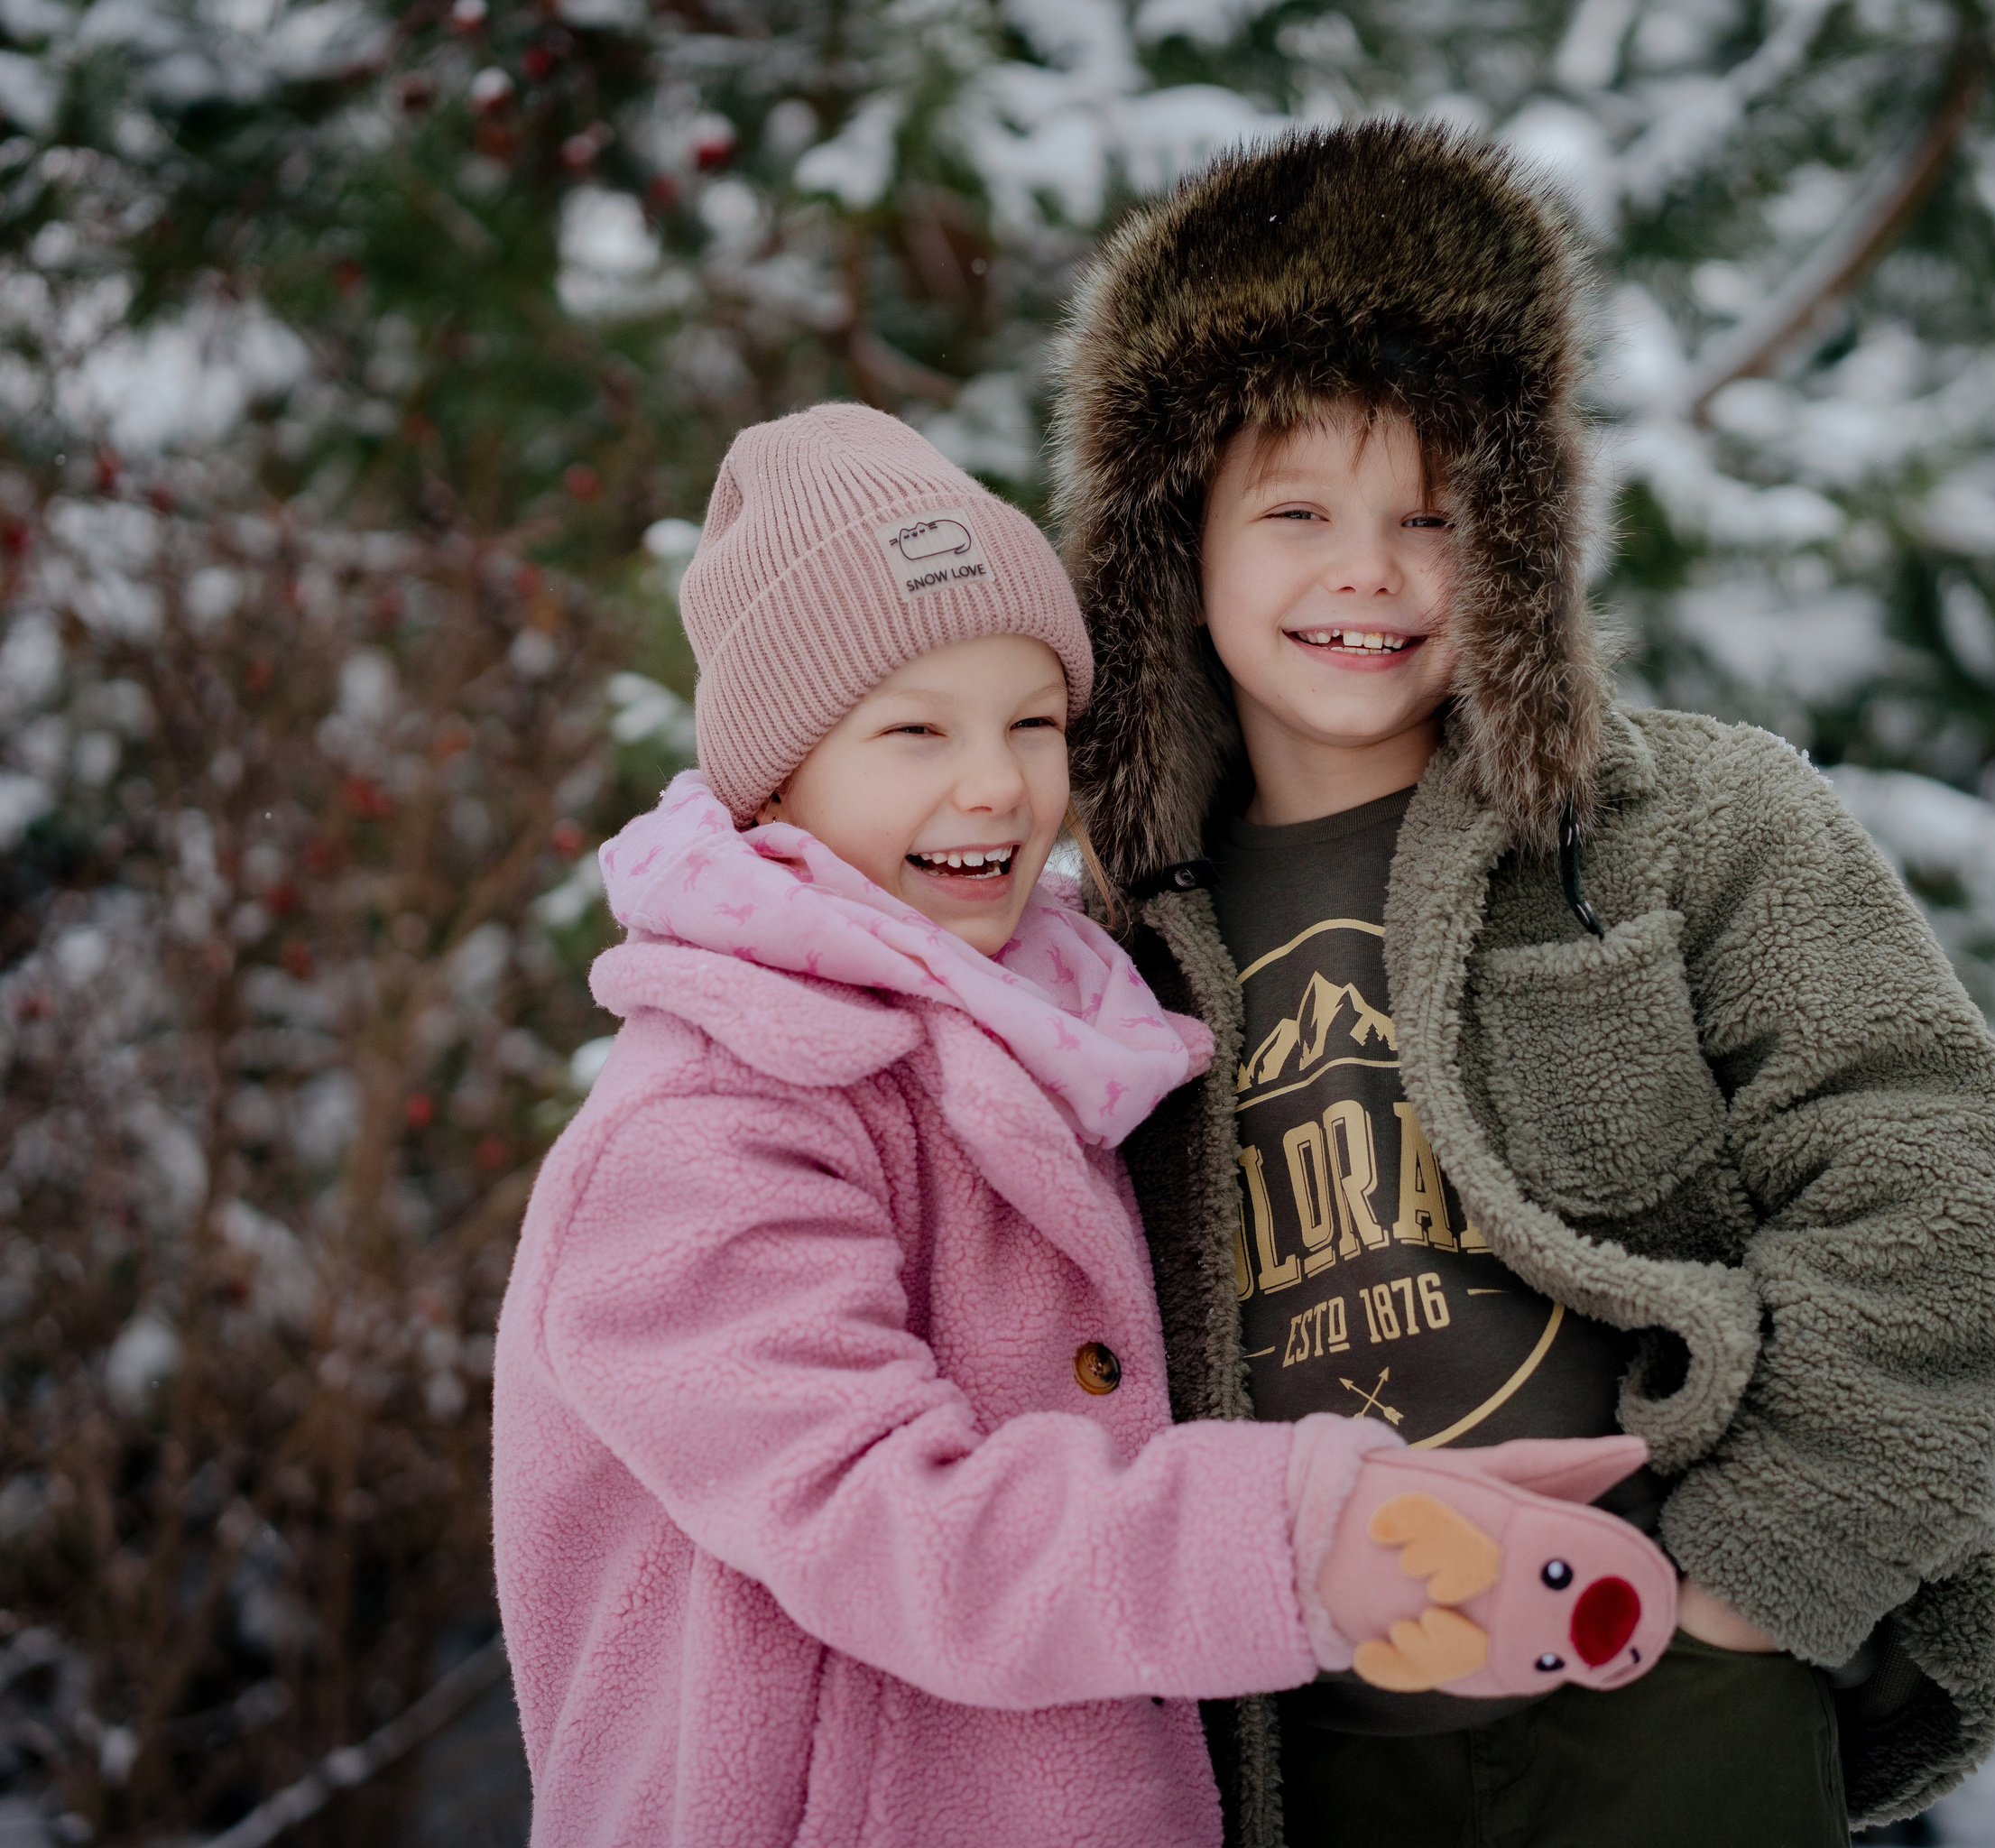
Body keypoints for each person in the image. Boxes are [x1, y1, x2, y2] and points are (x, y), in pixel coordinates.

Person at [491, 403, 1689, 1848]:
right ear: (776, 781)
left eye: (1033, 722)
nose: (996, 783)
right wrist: (1311, 1536)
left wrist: (1402, 1503)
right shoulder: (706, 1125)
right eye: (913, 731)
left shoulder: (1051, 1030)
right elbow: (887, 1517)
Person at [1050, 121, 1995, 1847]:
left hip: (1667, 1694)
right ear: (1172, 548)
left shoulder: (1692, 825)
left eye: (1433, 515)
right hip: (1309, 1753)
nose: (1367, 570)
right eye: (1296, 511)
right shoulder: (1110, 953)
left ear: (1515, 539)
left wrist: (1745, 1587)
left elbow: (1923, 1196)